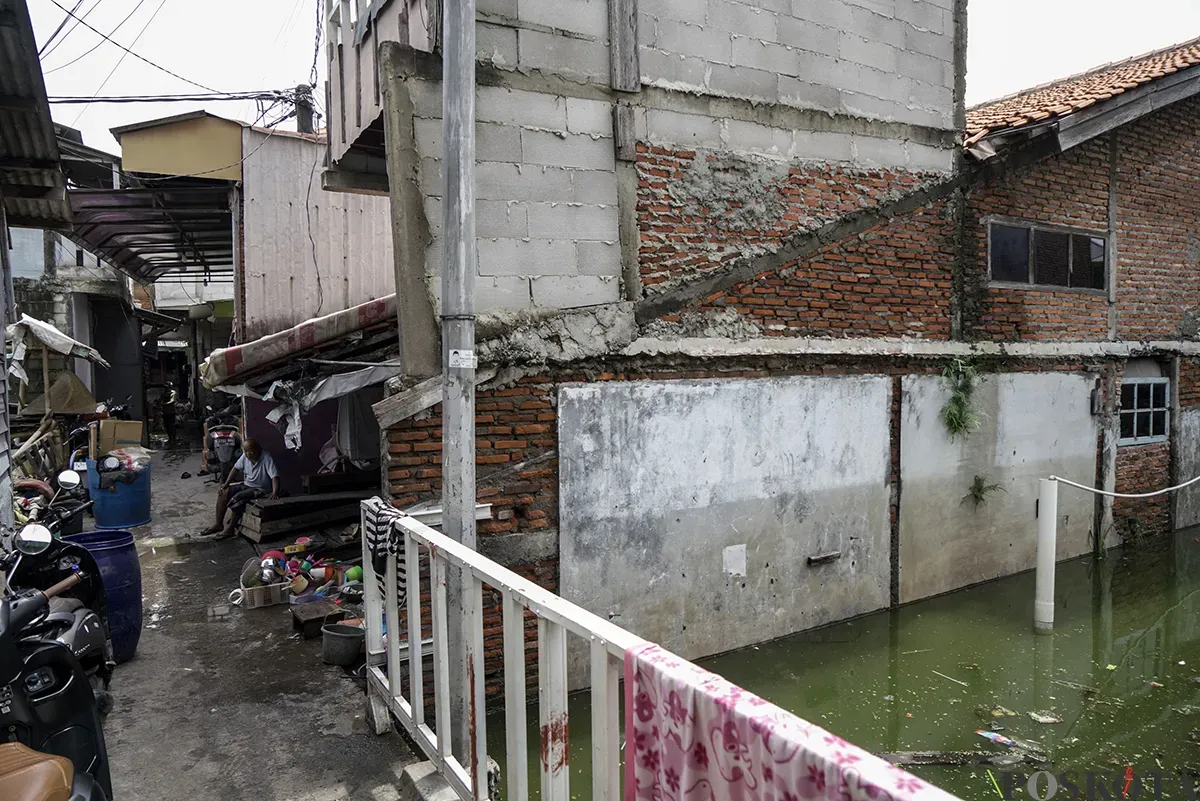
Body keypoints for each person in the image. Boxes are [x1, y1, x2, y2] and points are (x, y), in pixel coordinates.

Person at [201, 439, 279, 539]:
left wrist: (275, 492)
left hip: (260, 489)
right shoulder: (245, 456)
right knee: (223, 492)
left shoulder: (266, 457)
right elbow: (235, 469)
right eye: (245, 451)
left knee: (238, 499)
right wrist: (226, 484)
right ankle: (218, 524)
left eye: (250, 451)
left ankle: (230, 529)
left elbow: (274, 477)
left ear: (258, 449)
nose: (248, 454)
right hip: (246, 484)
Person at [160, 382, 178, 448]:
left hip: (171, 411)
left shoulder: (173, 393)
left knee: (172, 425)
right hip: (165, 412)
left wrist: (164, 404)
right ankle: (170, 438)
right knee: (167, 426)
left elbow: (172, 401)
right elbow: (160, 399)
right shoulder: (164, 393)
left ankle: (174, 438)